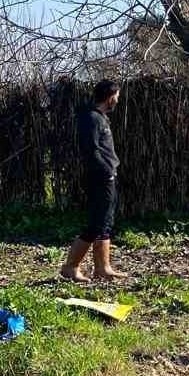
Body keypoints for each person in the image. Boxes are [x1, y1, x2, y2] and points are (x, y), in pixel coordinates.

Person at [62, 79, 124, 282]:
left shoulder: (100, 117)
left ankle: (102, 268)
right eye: (117, 95)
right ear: (109, 97)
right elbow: (91, 150)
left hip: (106, 176)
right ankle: (71, 267)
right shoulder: (91, 118)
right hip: (100, 177)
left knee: (104, 221)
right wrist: (106, 171)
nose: (118, 99)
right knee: (97, 223)